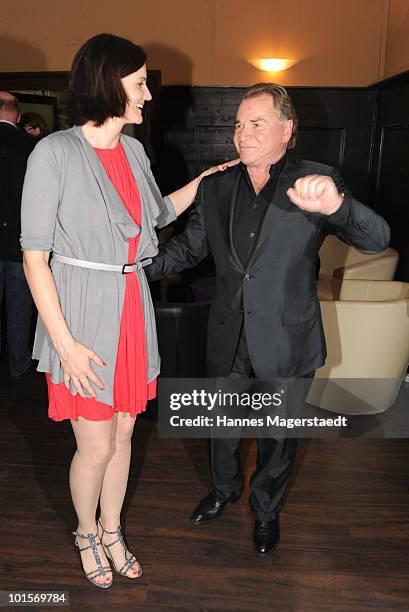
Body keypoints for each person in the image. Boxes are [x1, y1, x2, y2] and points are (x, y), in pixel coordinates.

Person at [146, 83, 391, 556]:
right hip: (227, 333)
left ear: (287, 129)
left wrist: (337, 207)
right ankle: (223, 490)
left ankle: (265, 510)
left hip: (286, 337)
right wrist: (129, 268)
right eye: (239, 124)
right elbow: (189, 248)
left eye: (257, 123)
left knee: (277, 436)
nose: (243, 133)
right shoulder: (216, 186)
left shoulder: (316, 181)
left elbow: (376, 239)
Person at [20, 33, 229, 589]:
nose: (148, 95)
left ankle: (113, 529)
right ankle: (85, 531)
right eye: (139, 84)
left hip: (131, 303)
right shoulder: (54, 152)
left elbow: (157, 215)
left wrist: (206, 183)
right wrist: (64, 343)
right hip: (81, 310)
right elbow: (34, 257)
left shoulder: (134, 151)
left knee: (126, 434)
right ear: (108, 84)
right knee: (95, 444)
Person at [0, 92, 35, 378]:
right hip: (22, 241)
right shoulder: (31, 147)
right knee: (20, 304)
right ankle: (18, 363)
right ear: (18, 115)